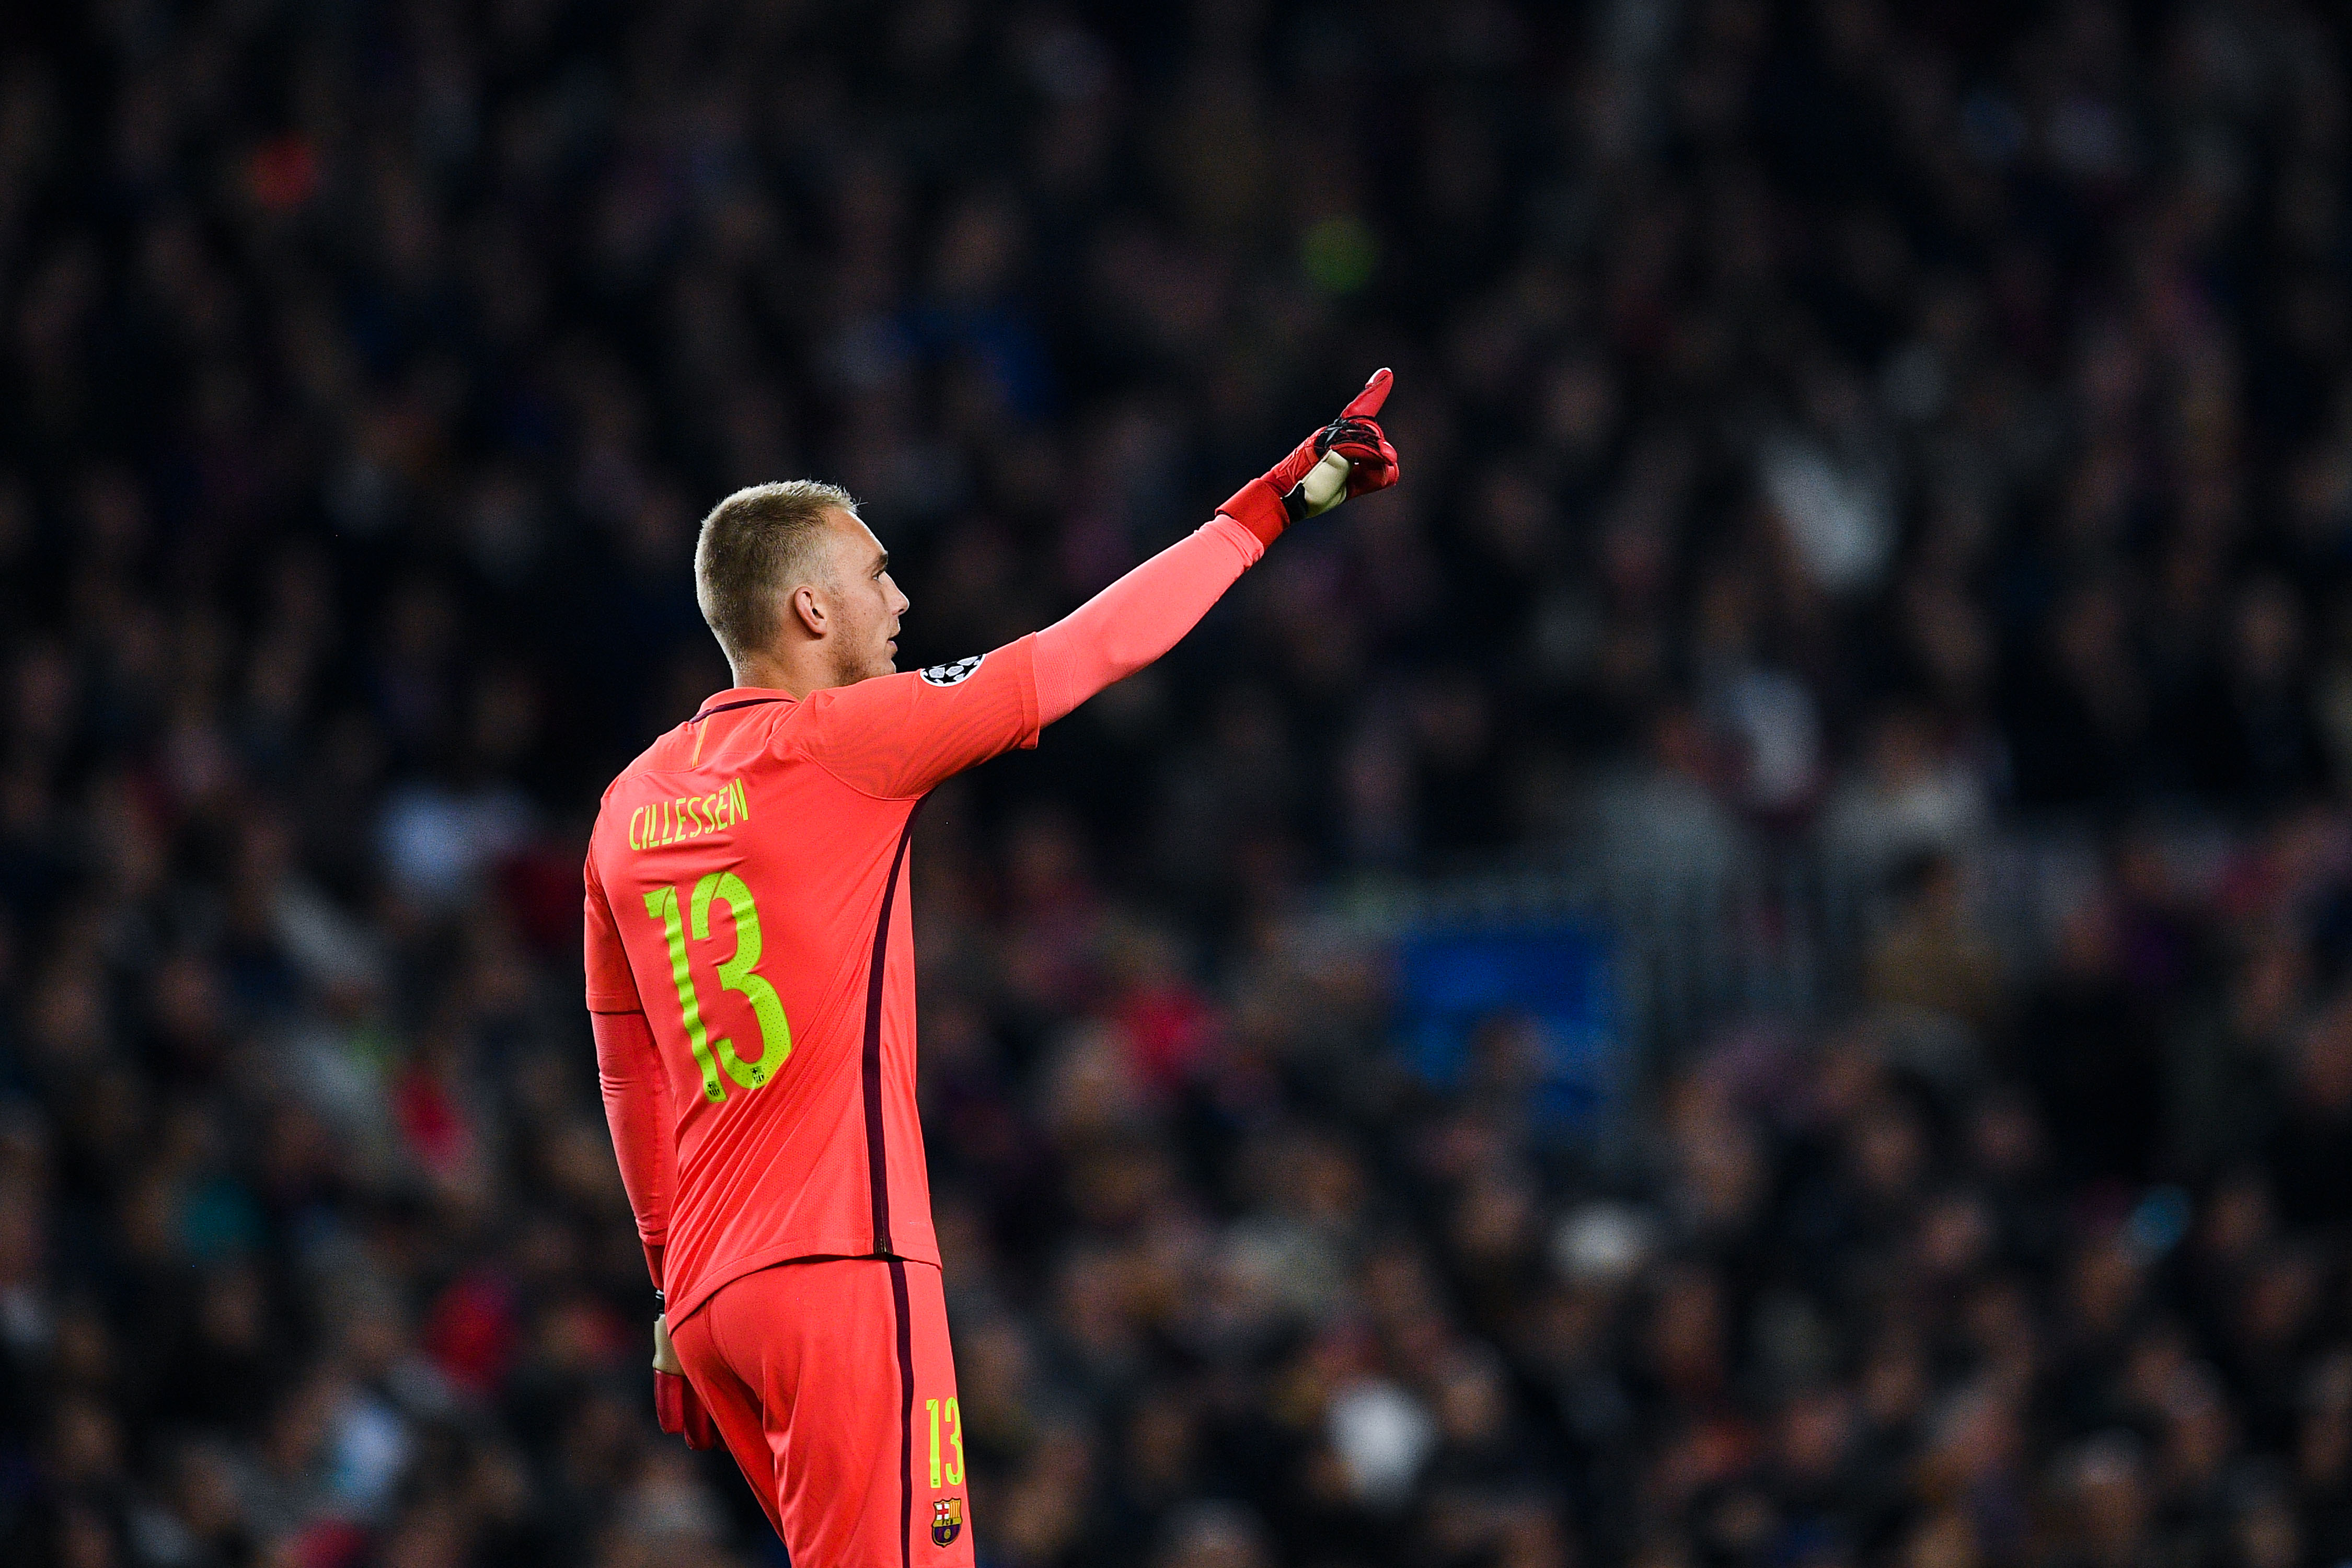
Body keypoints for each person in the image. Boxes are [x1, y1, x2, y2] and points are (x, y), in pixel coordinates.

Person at [582, 374, 1399, 1565]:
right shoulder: (840, 742)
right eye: (876, 577)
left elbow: (629, 1068)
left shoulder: (629, 804)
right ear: (811, 608)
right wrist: (1272, 505)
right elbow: (1088, 651)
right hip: (842, 1266)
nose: (902, 600)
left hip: (716, 1302)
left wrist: (669, 1295)